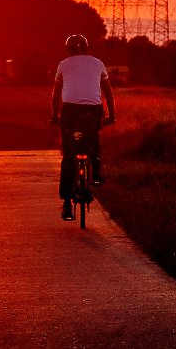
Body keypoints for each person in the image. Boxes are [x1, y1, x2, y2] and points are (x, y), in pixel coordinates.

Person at [49, 34, 115, 221]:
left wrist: (55, 117)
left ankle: (67, 205)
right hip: (93, 109)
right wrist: (112, 117)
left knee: (69, 155)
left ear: (68, 49)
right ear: (86, 47)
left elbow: (55, 97)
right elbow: (108, 94)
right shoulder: (98, 63)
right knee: (92, 134)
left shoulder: (63, 65)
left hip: (70, 111)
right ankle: (97, 171)